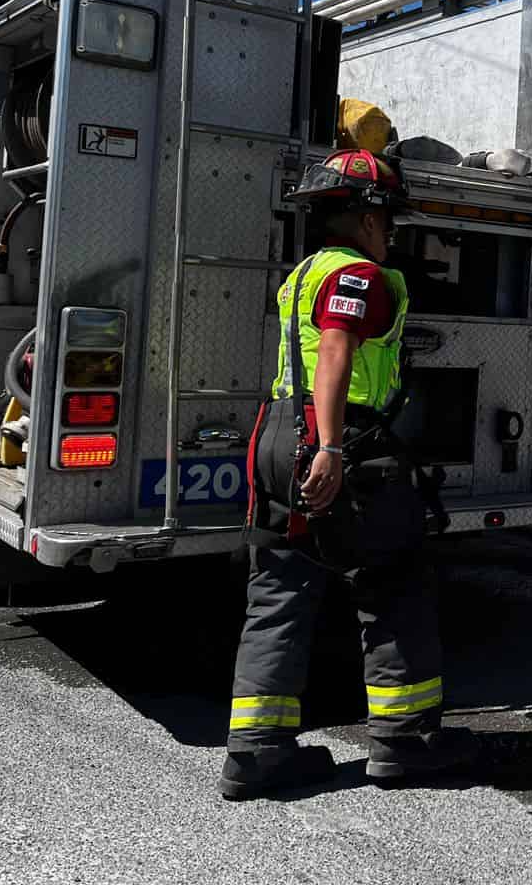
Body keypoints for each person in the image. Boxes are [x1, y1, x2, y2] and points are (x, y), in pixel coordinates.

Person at [220, 149, 477, 801]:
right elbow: (336, 346)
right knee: (393, 584)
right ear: (364, 218)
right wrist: (332, 448)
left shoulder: (303, 273)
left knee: (278, 593)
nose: (391, 232)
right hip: (344, 444)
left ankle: (255, 753)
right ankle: (405, 743)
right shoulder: (360, 275)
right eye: (387, 218)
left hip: (278, 434)